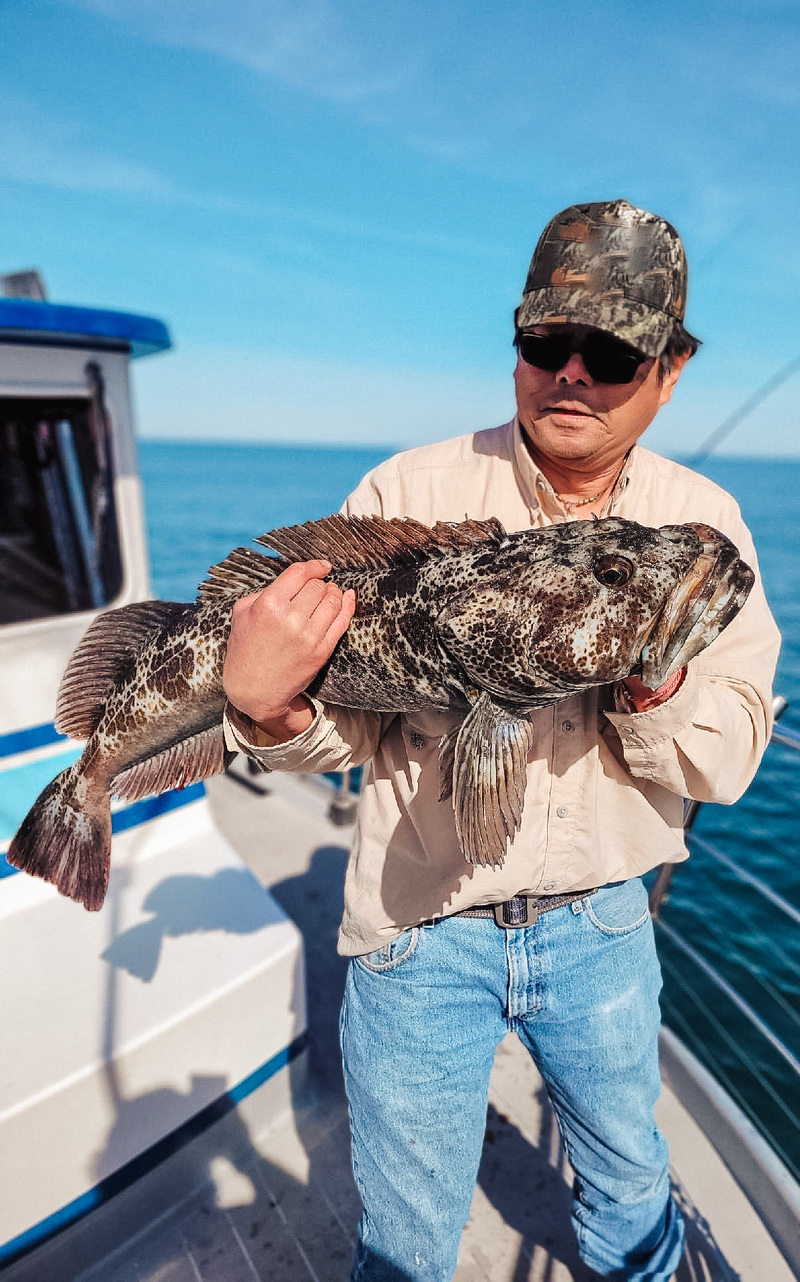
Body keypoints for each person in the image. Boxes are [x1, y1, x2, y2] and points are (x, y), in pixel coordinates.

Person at [221, 200, 781, 1281]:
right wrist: (264, 707)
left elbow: (732, 756)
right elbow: (343, 733)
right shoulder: (404, 495)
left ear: (668, 373)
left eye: (611, 351)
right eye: (543, 343)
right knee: (409, 1230)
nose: (570, 372)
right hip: (417, 927)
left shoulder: (697, 526)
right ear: (516, 348)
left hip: (606, 923)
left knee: (628, 1178)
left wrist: (651, 672)